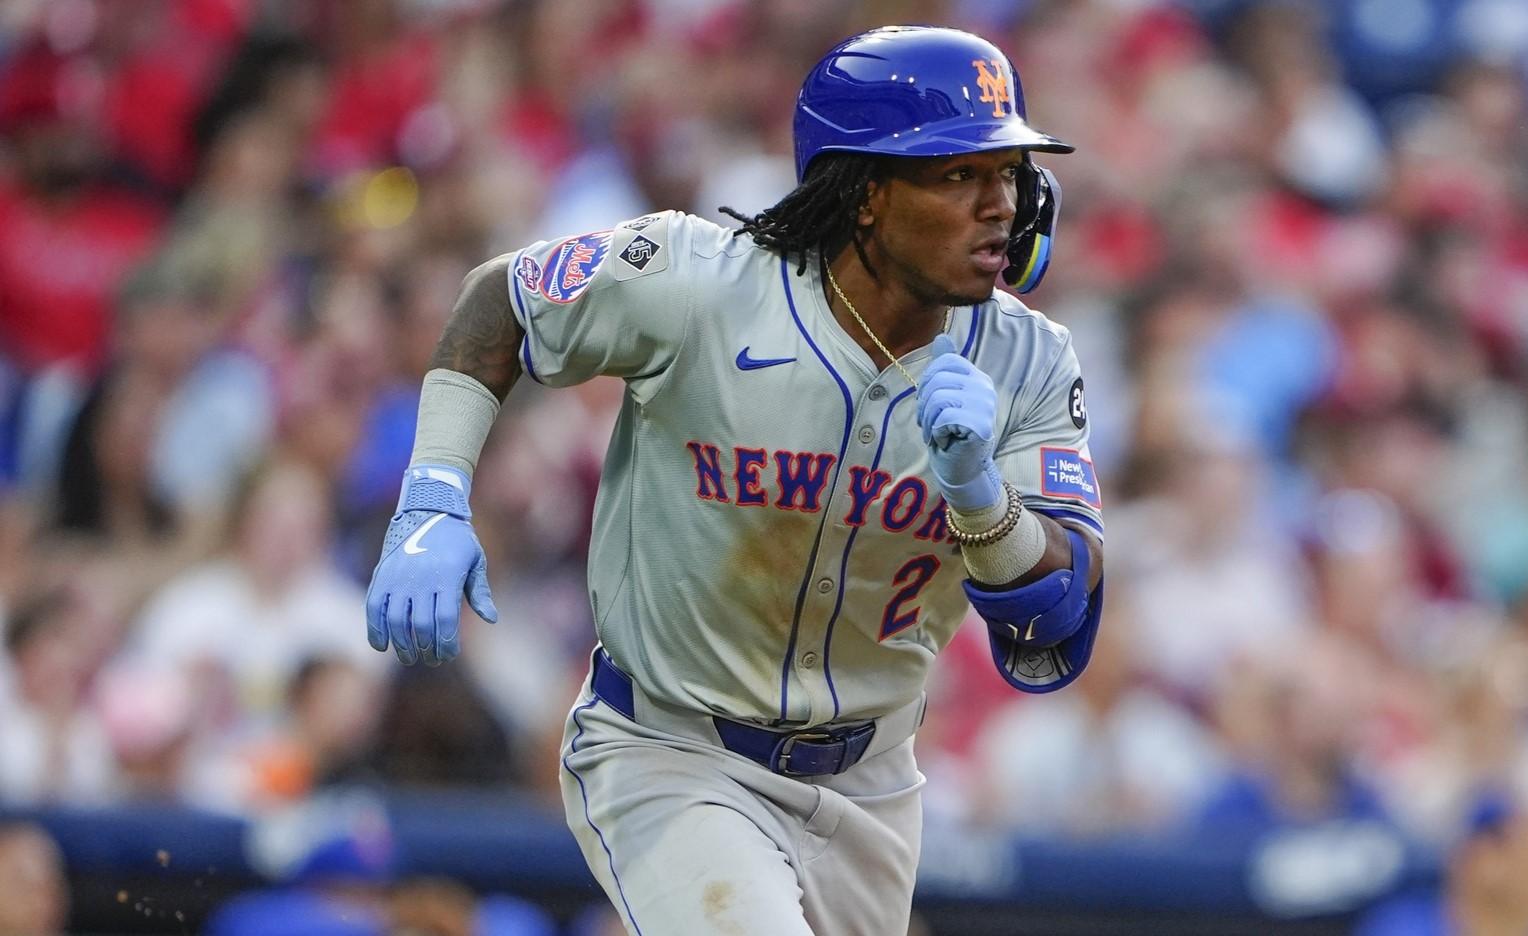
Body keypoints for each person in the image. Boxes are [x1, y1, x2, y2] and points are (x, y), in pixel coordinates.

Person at [364, 25, 1105, 935]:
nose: (1003, 204)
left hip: (871, 788)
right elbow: (500, 300)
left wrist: (981, 498)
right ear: (864, 194)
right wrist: (435, 489)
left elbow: (1059, 621)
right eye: (958, 174)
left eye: (1011, 172)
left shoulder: (1026, 360)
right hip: (674, 750)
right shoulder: (700, 283)